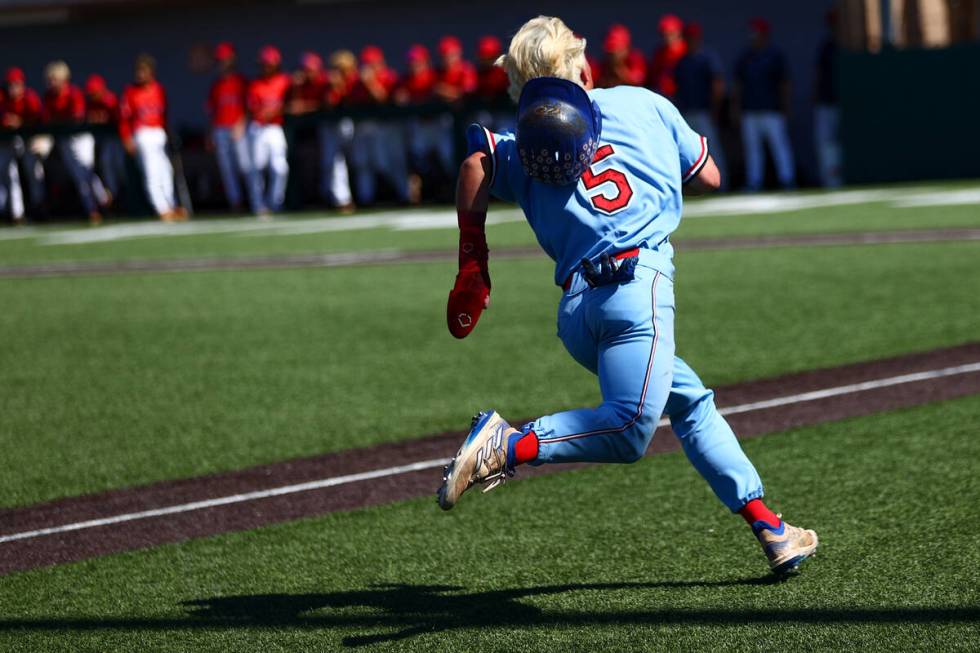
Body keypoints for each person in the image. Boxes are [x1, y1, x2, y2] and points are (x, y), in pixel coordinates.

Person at [436, 15, 818, 577]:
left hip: (578, 315)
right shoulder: (642, 103)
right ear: (581, 63)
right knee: (627, 431)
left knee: (689, 402)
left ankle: (771, 528)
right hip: (637, 290)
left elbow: (476, 159)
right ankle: (507, 444)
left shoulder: (520, 148)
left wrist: (474, 259)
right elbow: (708, 174)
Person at [42, 60, 111, 225]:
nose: (51, 83)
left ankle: (101, 199)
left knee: (86, 170)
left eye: (55, 79)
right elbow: (47, 119)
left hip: (81, 138)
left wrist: (60, 121)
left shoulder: (74, 93)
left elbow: (77, 117)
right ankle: (93, 209)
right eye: (50, 79)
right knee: (79, 177)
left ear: (64, 79)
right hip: (65, 140)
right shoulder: (49, 97)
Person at [733, 18, 795, 191]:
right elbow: (738, 86)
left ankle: (787, 179)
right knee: (753, 150)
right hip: (750, 110)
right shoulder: (745, 57)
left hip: (772, 109)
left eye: (758, 34)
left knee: (779, 146)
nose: (754, 38)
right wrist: (736, 109)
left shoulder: (775, 55)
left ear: (765, 35)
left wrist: (786, 106)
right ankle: (754, 181)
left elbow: (785, 84)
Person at [120, 53, 183, 221]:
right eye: (138, 71)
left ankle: (171, 204)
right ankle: (161, 208)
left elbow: (164, 115)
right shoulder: (131, 92)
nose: (140, 74)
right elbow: (124, 119)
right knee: (152, 172)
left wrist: (168, 133)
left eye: (144, 70)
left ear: (151, 72)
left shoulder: (158, 89)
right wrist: (126, 138)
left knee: (166, 170)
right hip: (143, 134)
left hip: (159, 133)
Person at [347, 45, 410, 205]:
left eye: (372, 63)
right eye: (366, 64)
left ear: (381, 63)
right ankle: (366, 198)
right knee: (364, 163)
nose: (369, 68)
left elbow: (384, 99)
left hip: (389, 126)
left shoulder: (389, 77)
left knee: (393, 162)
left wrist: (370, 83)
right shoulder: (356, 83)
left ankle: (403, 196)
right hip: (365, 127)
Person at [208, 42, 260, 214]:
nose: (222, 63)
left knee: (247, 166)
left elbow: (250, 107)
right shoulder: (216, 85)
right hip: (220, 129)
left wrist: (241, 124)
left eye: (225, 59)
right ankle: (235, 203)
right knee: (227, 169)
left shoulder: (242, 82)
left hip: (239, 128)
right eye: (220, 60)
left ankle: (256, 202)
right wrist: (211, 133)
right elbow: (212, 111)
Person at [674, 22, 727, 190]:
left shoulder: (707, 58)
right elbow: (677, 88)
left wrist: (715, 109)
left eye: (692, 37)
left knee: (713, 149)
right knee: (689, 151)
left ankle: (722, 184)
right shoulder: (682, 61)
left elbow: (717, 85)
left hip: (705, 111)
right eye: (687, 37)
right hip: (687, 111)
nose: (690, 41)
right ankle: (694, 187)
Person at [246, 45, 291, 215]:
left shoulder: (284, 81)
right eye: (264, 64)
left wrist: (276, 111)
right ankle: (258, 205)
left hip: (275, 128)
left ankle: (275, 202)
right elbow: (253, 110)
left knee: (280, 167)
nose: (266, 67)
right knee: (256, 167)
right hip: (258, 129)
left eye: (269, 63)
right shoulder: (255, 84)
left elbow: (289, 103)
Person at [0, 67, 44, 223]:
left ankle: (39, 206)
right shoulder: (3, 98)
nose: (13, 88)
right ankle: (15, 214)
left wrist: (20, 122)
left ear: (22, 84)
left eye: (16, 84)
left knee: (33, 171)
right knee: (8, 174)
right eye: (10, 84)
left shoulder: (30, 98)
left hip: (30, 139)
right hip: (7, 141)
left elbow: (40, 120)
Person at [84, 74, 126, 204]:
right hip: (107, 140)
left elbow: (119, 119)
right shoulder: (91, 103)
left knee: (120, 165)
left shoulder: (111, 100)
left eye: (94, 92)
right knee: (106, 162)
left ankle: (125, 193)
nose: (92, 95)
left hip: (120, 138)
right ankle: (114, 196)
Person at [814, 10, 842, 188]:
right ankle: (830, 179)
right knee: (826, 143)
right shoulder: (826, 47)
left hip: (843, 102)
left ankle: (839, 176)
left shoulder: (848, 45)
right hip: (826, 100)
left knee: (839, 142)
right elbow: (817, 74)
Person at [647, 14, 687, 97]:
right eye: (664, 34)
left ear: (679, 32)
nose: (667, 37)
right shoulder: (659, 52)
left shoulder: (686, 50)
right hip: (663, 96)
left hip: (684, 98)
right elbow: (653, 76)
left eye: (670, 33)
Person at [596, 24, 646, 88]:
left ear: (625, 47)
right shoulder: (606, 62)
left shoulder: (636, 59)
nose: (612, 53)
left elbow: (636, 83)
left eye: (616, 48)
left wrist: (619, 67)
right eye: (610, 50)